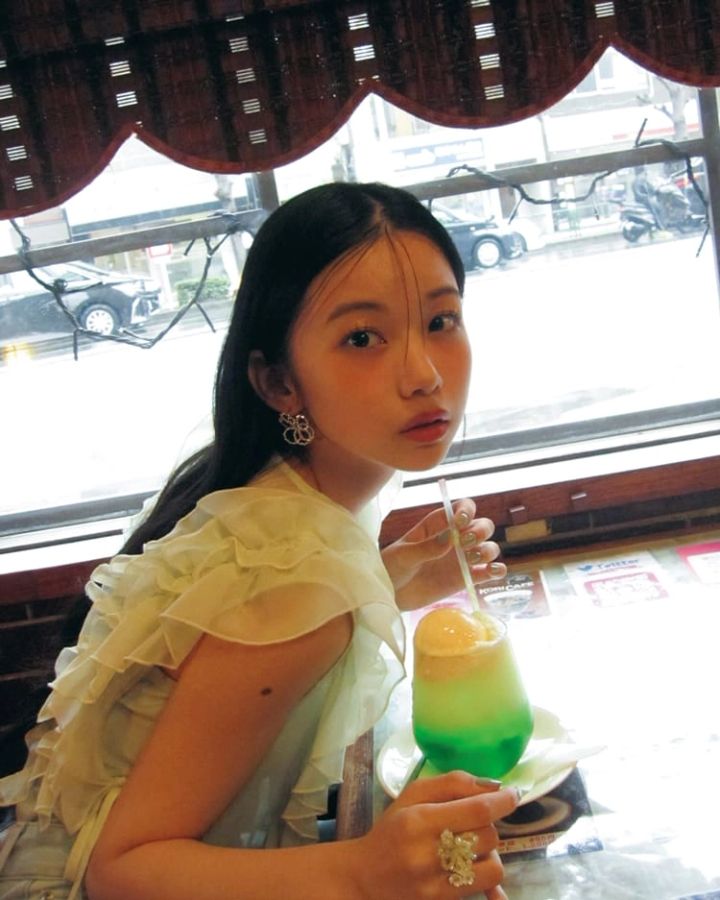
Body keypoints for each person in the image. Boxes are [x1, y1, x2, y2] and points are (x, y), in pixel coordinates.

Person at [0, 182, 518, 900]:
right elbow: (118, 872)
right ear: (278, 384)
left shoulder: (280, 492)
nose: (424, 375)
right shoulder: (294, 573)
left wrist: (385, 581)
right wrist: (364, 871)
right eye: (362, 338)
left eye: (440, 320)